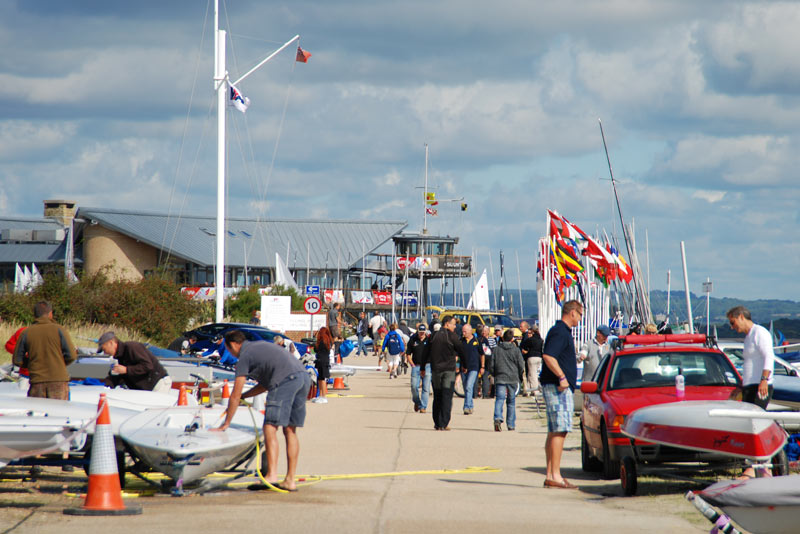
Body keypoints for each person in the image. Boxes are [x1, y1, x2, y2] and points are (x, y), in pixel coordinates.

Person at [213, 330, 310, 492]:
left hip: (285, 379)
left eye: (228, 349)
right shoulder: (259, 348)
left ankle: (271, 476)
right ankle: (290, 480)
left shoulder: (245, 356)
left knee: (270, 427)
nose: (230, 353)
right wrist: (246, 396)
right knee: (290, 430)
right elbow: (264, 385)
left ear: (233, 345)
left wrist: (226, 423)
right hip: (303, 377)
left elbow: (235, 394)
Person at [727, 305, 775, 479]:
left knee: (756, 425)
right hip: (750, 386)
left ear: (741, 316)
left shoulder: (759, 333)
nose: (732, 327)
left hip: (760, 386)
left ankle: (756, 467)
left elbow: (769, 356)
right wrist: (741, 386)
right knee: (749, 426)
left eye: (733, 322)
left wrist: (764, 380)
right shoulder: (748, 337)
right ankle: (758, 467)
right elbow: (750, 365)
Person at [540, 299, 583, 489]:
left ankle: (551, 474)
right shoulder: (560, 331)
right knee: (560, 430)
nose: (580, 319)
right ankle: (555, 475)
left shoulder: (561, 331)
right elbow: (548, 356)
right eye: (580, 315)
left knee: (555, 430)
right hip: (558, 388)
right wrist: (562, 377)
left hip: (557, 386)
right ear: (572, 312)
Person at [13, 300, 76, 399]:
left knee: (37, 408)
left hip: (37, 381)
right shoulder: (59, 329)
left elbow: (17, 360)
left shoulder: (26, 333)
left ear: (35, 315)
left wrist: (31, 364)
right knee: (59, 409)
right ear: (50, 314)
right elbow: (71, 356)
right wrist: (59, 363)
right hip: (59, 382)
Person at [419, 316, 465, 431]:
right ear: (447, 324)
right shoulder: (452, 336)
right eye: (453, 324)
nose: (455, 326)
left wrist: (423, 367)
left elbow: (425, 352)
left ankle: (437, 422)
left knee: (437, 396)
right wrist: (464, 365)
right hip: (448, 371)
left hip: (436, 370)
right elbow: (461, 350)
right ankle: (444, 423)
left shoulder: (433, 336)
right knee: (447, 396)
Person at [97, 332, 172, 392]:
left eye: (104, 349)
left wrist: (126, 370)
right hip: (147, 388)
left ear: (111, 343)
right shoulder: (118, 357)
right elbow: (115, 377)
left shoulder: (132, 347)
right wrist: (106, 387)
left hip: (158, 383)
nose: (105, 353)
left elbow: (148, 366)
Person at [492, 329, 525, 431]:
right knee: (511, 401)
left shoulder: (497, 349)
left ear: (502, 338)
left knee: (499, 399)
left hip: (500, 376)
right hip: (512, 377)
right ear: (512, 339)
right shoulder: (516, 350)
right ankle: (511, 424)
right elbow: (521, 364)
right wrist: (520, 375)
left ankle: (497, 418)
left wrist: (494, 374)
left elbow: (492, 364)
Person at [406, 324, 432, 412]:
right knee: (414, 387)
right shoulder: (413, 339)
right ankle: (417, 402)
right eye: (420, 332)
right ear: (417, 331)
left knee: (426, 388)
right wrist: (412, 364)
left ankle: (423, 407)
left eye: (423, 332)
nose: (421, 334)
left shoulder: (429, 340)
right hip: (416, 366)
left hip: (427, 366)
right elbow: (408, 354)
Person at [460, 324, 481, 415]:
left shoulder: (477, 341)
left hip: (474, 367)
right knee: (466, 388)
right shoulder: (461, 341)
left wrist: (482, 366)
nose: (463, 333)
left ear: (470, 331)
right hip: (463, 368)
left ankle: (466, 407)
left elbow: (482, 354)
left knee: (469, 386)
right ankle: (471, 405)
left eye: (465, 331)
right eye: (462, 331)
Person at [520, 324, 544, 396]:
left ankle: (535, 390)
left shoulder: (530, 340)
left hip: (531, 357)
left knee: (532, 374)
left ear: (532, 331)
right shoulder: (541, 340)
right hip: (539, 357)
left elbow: (523, 346)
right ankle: (529, 390)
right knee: (531, 374)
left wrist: (526, 350)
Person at [312, 326, 333, 403]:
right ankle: (321, 396)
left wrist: (315, 342)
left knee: (322, 379)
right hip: (325, 360)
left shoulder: (322, 341)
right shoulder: (328, 341)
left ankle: (323, 396)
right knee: (320, 378)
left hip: (321, 361)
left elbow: (316, 349)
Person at [478, 325, 495, 399]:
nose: (484, 332)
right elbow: (488, 351)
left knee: (485, 376)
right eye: (483, 331)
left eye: (485, 331)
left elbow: (493, 350)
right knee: (484, 376)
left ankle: (484, 393)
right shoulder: (484, 340)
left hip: (486, 359)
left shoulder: (490, 340)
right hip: (485, 359)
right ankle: (483, 393)